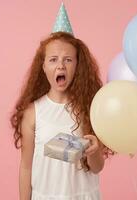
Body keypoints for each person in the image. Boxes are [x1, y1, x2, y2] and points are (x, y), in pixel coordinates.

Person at [10, 31, 109, 200]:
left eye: (68, 59)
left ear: (78, 66)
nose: (61, 65)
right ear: (43, 66)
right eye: (53, 59)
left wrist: (94, 151)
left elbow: (97, 168)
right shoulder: (33, 113)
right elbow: (26, 167)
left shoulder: (89, 108)